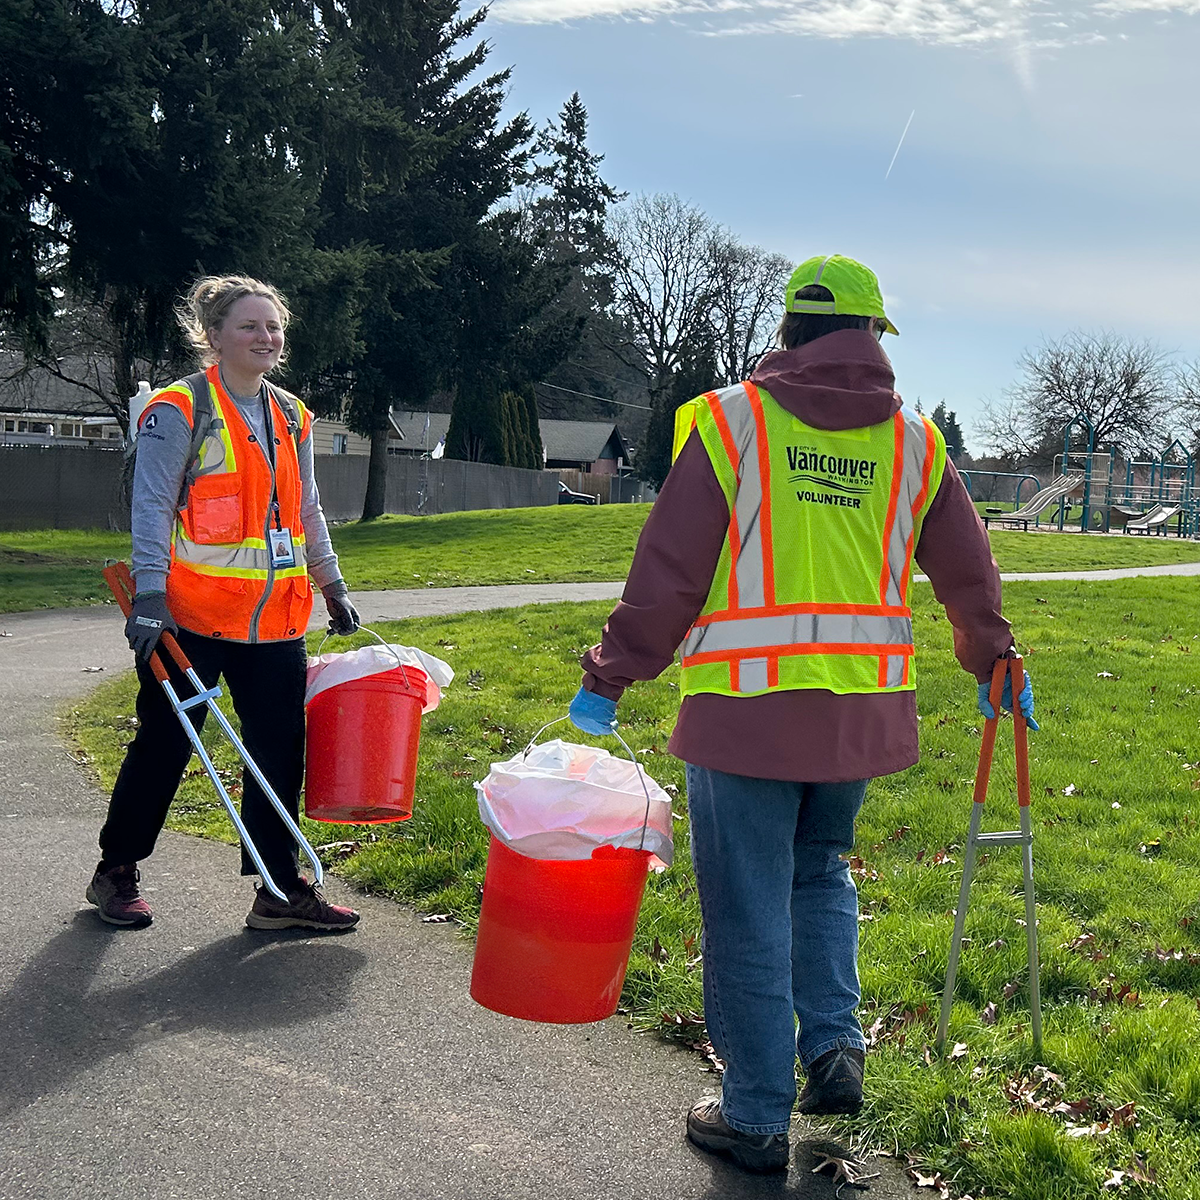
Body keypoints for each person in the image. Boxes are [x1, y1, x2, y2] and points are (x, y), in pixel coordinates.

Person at [569, 254, 1037, 1174]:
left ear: (789, 330)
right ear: (873, 339)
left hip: (744, 713)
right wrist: (993, 657)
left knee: (746, 910)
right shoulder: (914, 443)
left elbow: (670, 571)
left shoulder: (732, 423)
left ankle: (752, 1116)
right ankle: (833, 1046)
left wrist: (611, 674)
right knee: (820, 872)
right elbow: (969, 572)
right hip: (856, 717)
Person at [86, 275, 363, 933]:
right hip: (190, 619)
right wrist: (149, 597)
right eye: (250, 326)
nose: (266, 337)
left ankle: (277, 890)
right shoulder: (179, 410)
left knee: (278, 754)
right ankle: (115, 872)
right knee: (165, 745)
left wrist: (333, 584)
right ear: (213, 336)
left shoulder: (292, 414)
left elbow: (308, 510)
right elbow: (151, 505)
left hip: (275, 623)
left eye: (273, 327)